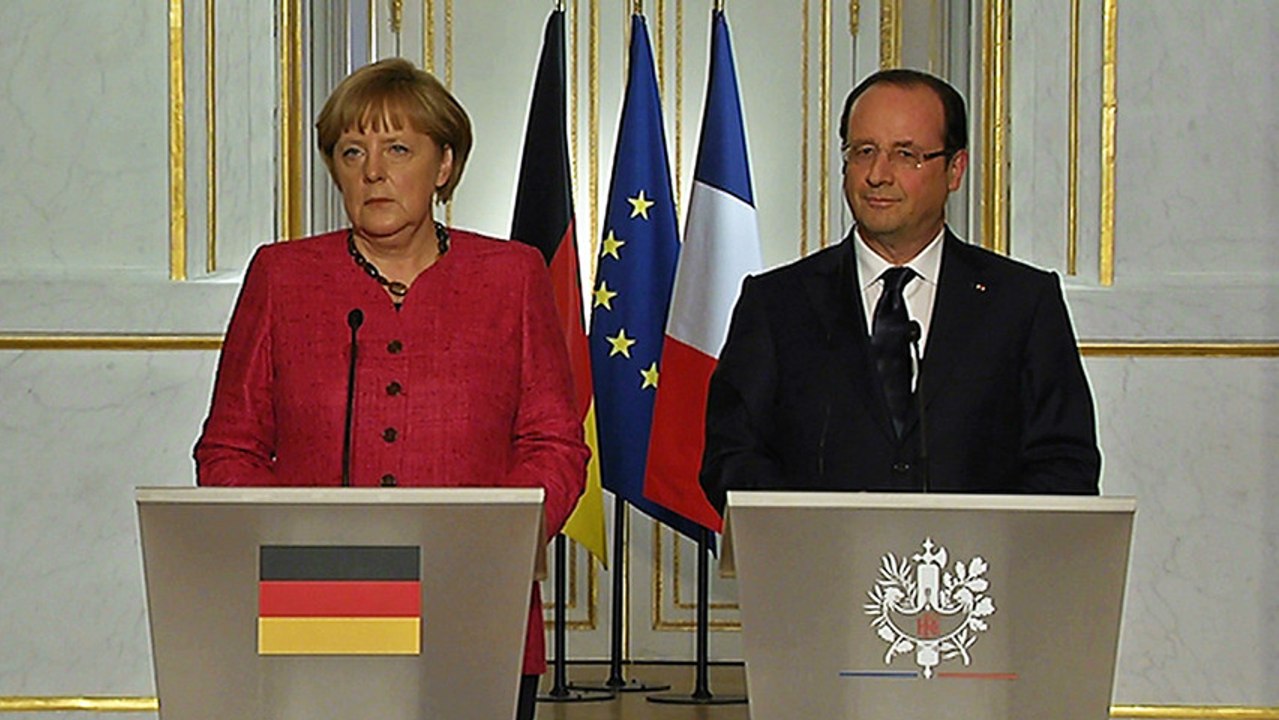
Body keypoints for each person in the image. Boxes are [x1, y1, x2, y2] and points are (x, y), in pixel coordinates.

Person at [194, 58, 587, 720]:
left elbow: (554, 441)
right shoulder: (283, 276)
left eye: (397, 148)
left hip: (472, 601)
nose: (372, 170)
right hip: (316, 603)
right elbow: (228, 447)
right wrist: (285, 541)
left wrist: (500, 539)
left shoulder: (511, 276)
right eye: (352, 151)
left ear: (443, 166)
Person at [700, 68, 1100, 513]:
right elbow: (730, 458)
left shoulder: (1022, 303)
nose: (877, 174)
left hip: (976, 575)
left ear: (955, 169)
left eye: (906, 154)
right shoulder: (776, 304)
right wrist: (813, 532)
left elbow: (1065, 464)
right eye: (863, 151)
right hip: (822, 573)